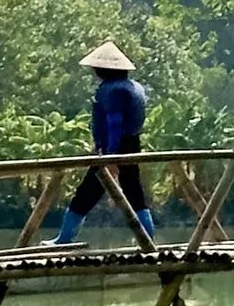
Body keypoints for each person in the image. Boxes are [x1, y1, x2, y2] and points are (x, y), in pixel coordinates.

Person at [53, 42, 156, 245]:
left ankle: (64, 239)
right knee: (134, 191)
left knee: (87, 192)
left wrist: (110, 156)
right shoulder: (134, 87)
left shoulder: (111, 90)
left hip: (114, 147)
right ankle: (148, 238)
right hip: (132, 144)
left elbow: (115, 123)